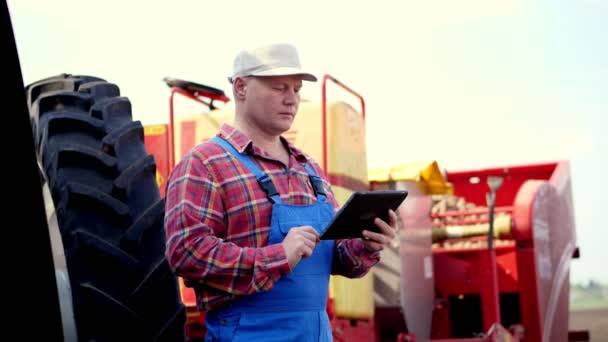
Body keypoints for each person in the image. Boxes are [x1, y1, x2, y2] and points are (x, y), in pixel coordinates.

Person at [164, 43, 397, 342]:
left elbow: (336, 258)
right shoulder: (205, 164)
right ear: (241, 87)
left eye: (297, 90)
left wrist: (367, 244)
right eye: (279, 88)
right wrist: (278, 257)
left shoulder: (309, 169)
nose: (292, 100)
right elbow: (186, 253)